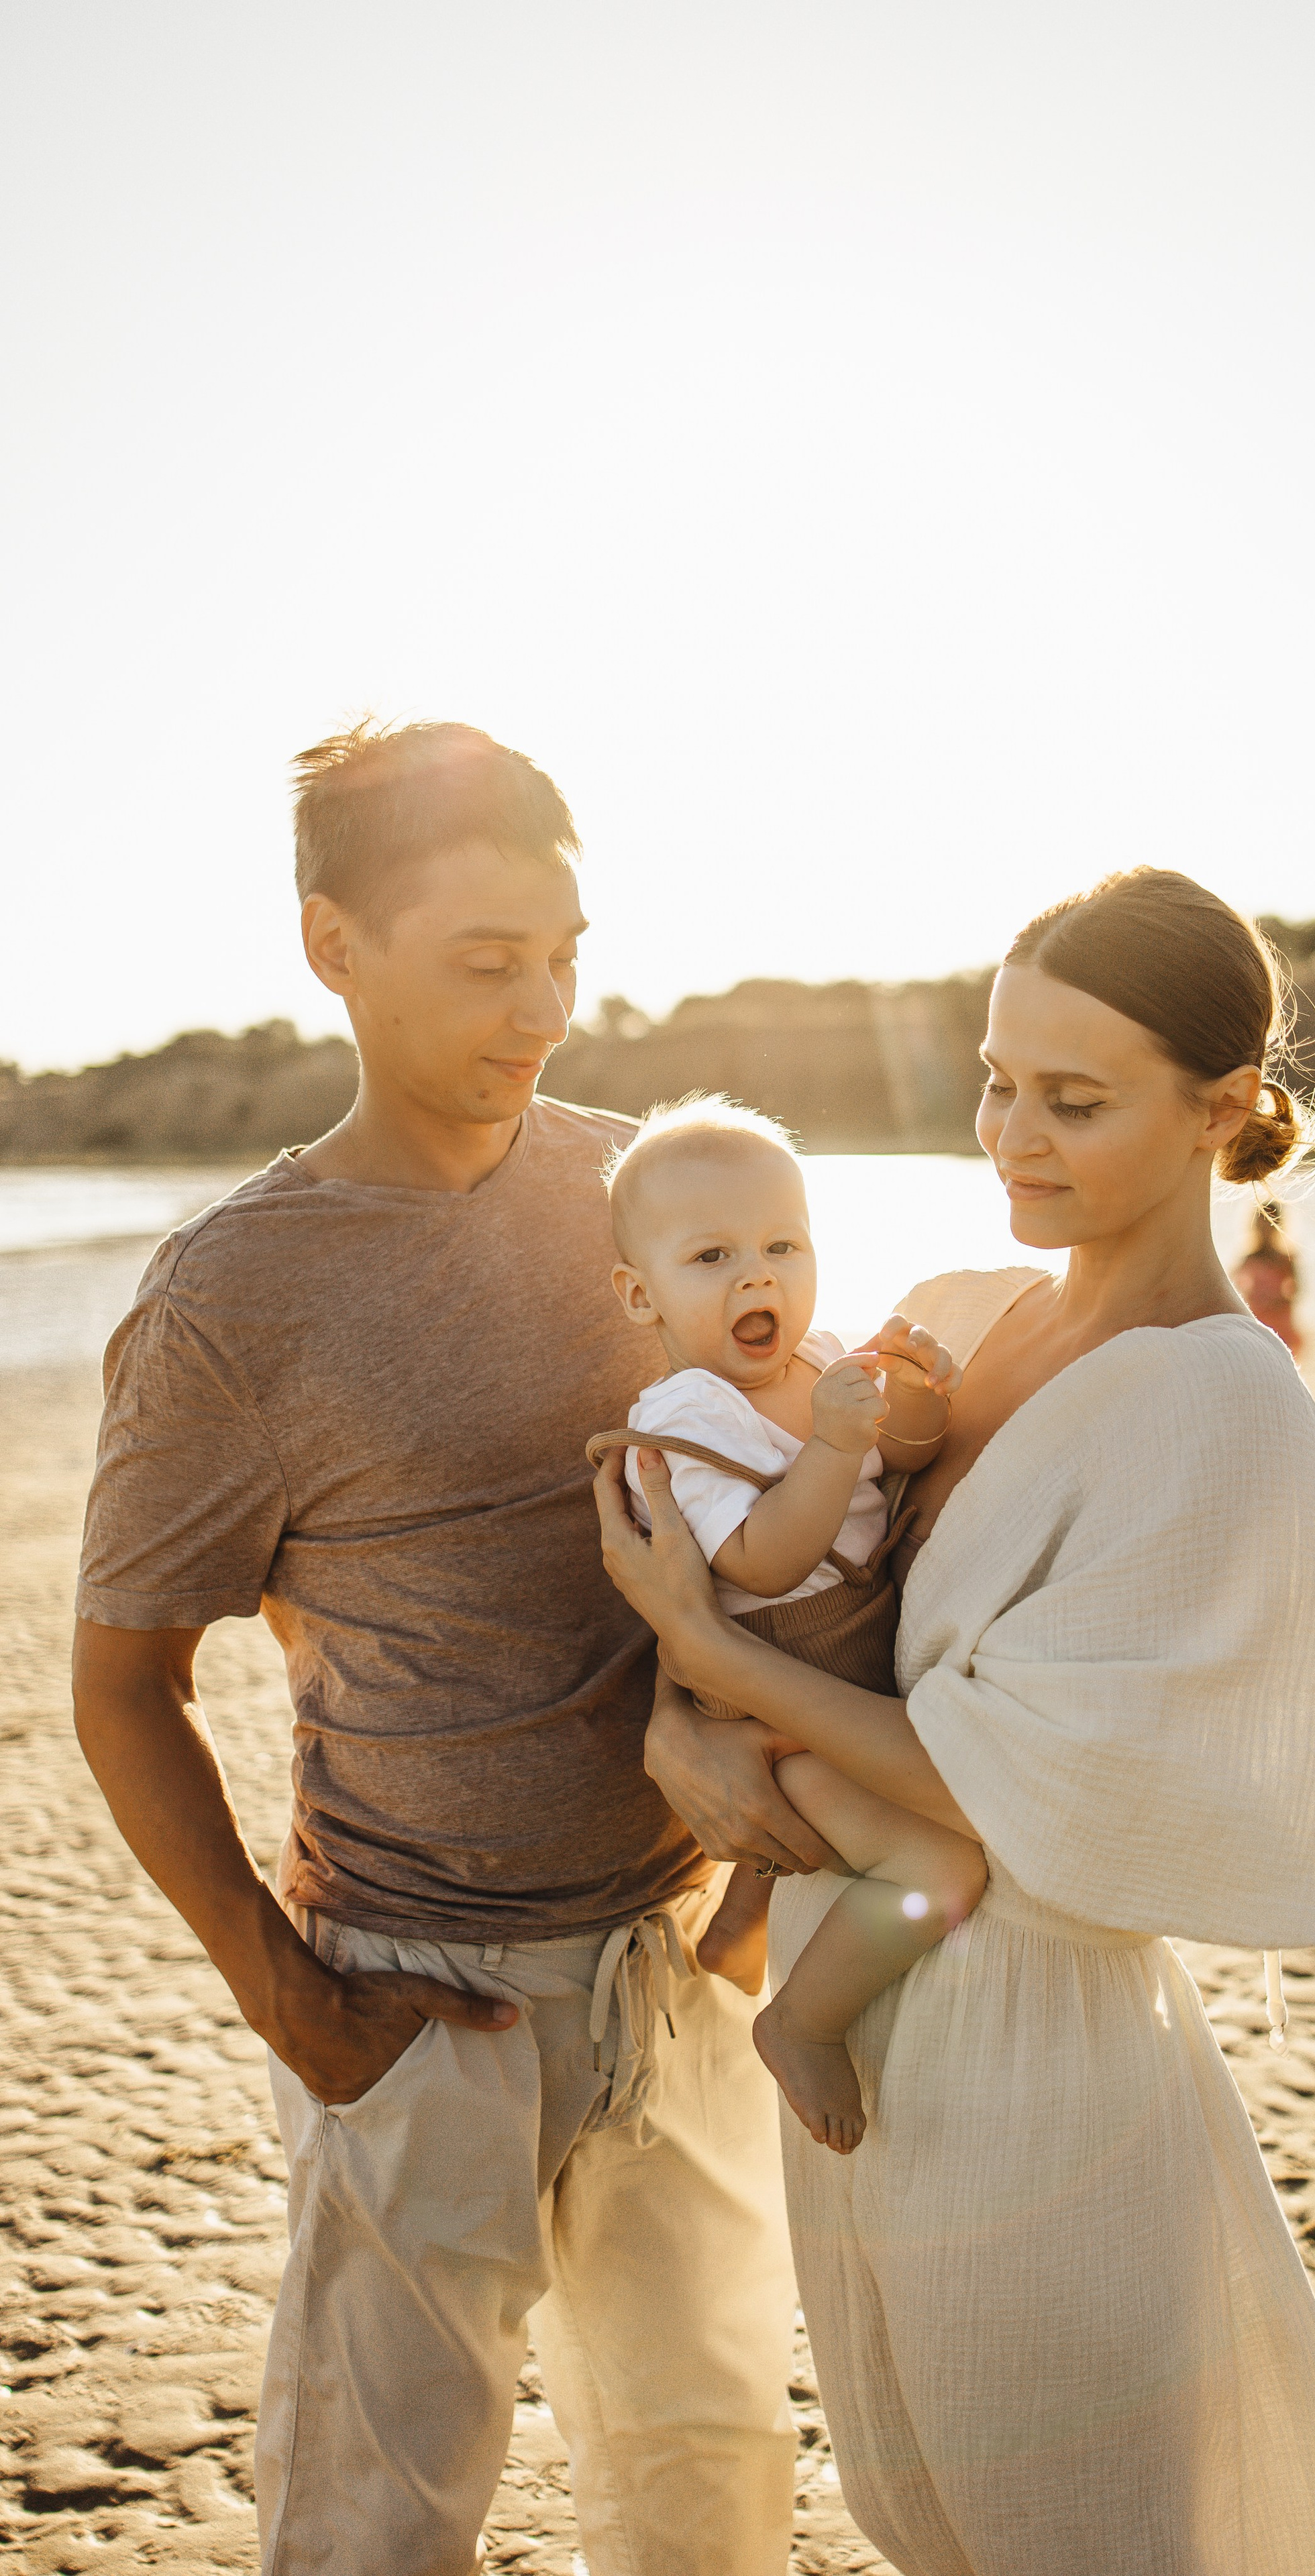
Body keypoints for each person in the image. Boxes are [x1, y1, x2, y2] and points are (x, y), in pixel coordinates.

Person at [596, 866, 1315, 2575]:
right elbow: (792, 1580)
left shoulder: (1217, 1403)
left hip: (1038, 2068)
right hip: (859, 2033)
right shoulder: (960, 1312)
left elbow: (988, 1785)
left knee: (1080, 2530)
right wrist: (679, 1716)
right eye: (993, 1077)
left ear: (1223, 1111)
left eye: (1074, 1098)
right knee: (927, 2518)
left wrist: (702, 1653)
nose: (1009, 1136)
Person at [71, 720, 802, 2576]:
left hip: (672, 1976)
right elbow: (121, 1687)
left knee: (710, 2485)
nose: (546, 1005)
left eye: (567, 952)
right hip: (412, 2002)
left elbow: (791, 1532)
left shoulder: (652, 1200)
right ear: (333, 946)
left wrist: (771, 1880)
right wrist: (288, 1998)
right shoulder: (231, 1299)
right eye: (490, 962)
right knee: (377, 2526)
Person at [588, 1094, 984, 2153]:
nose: (758, 1277)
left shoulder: (819, 1358)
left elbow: (900, 1457)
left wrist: (911, 1399)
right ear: (642, 1295)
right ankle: (801, 2024)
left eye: (782, 1245)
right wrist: (832, 1446)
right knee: (942, 1870)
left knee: (838, 1838)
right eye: (711, 1256)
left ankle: (737, 1931)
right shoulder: (684, 1419)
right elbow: (764, 1556)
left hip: (849, 1653)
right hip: (777, 1681)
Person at [1234, 1197, 1304, 1354]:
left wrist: (1277, 1302)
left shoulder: (1286, 1258)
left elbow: (1297, 1289)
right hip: (1257, 1318)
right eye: (1261, 1222)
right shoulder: (1250, 1258)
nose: (1265, 1227)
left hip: (1280, 1321)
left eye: (1268, 1222)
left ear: (1277, 1225)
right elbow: (1232, 1287)